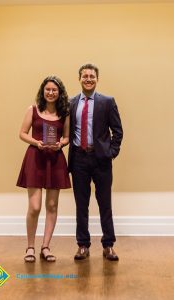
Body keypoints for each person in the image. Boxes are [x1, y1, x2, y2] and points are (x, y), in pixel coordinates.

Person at [68, 63, 123, 260]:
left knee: (104, 203)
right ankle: (83, 245)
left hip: (101, 160)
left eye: (92, 76)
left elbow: (118, 131)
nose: (88, 79)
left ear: (97, 79)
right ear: (80, 79)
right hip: (79, 160)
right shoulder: (71, 103)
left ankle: (108, 245)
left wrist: (111, 152)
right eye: (85, 76)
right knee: (81, 205)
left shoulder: (107, 102)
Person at [17, 75, 71, 263]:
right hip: (35, 158)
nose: (50, 92)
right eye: (47, 89)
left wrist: (60, 144)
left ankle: (45, 247)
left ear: (59, 93)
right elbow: (22, 133)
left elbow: (66, 137)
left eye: (54, 90)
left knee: (52, 205)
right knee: (35, 206)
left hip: (55, 160)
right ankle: (30, 247)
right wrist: (36, 142)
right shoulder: (32, 110)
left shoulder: (64, 112)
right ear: (43, 91)